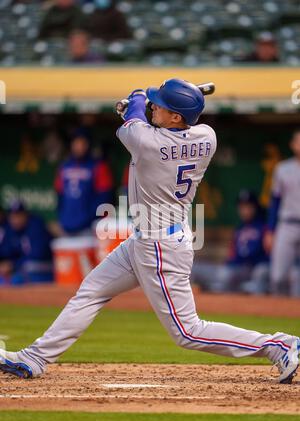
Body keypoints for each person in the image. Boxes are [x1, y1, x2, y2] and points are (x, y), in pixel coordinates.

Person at [0, 79, 299, 384]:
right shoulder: (207, 136)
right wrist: (142, 107)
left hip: (160, 246)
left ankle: (279, 345)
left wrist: (137, 100)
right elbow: (143, 118)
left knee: (187, 332)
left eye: (163, 105)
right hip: (149, 240)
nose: (155, 106)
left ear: (176, 118)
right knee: (90, 291)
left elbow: (137, 112)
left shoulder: (147, 142)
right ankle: (35, 358)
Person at [191, 190, 270, 294]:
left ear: (255, 207)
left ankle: (215, 289)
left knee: (226, 275)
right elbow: (231, 255)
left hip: (251, 269)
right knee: (194, 267)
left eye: (248, 206)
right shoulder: (240, 229)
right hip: (233, 269)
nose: (244, 210)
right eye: (242, 207)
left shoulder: (264, 228)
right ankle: (216, 288)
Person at [54, 130, 113, 235]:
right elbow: (59, 195)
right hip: (67, 226)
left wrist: (88, 219)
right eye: (76, 143)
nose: (79, 147)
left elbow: (105, 198)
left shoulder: (98, 166)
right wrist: (63, 219)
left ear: (88, 144)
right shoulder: (64, 166)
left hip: (90, 228)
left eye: (82, 143)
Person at [264, 129, 300, 295]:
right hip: (287, 224)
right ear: (292, 145)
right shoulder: (283, 169)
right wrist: (270, 231)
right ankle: (278, 313)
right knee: (278, 277)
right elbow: (275, 201)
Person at [0, 200, 53, 285]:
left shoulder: (36, 226)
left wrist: (13, 265)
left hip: (43, 268)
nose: (15, 220)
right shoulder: (10, 229)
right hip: (22, 268)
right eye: (12, 216)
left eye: (19, 216)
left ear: (25, 215)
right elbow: (6, 251)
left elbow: (37, 254)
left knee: (19, 278)